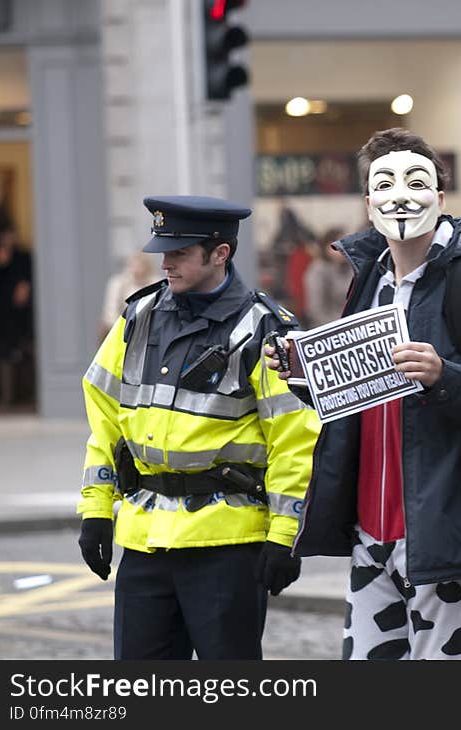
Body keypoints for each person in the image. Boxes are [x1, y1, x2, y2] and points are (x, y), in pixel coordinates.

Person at [268, 128, 461, 660]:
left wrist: (446, 378)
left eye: (416, 182)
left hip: (451, 534)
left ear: (440, 197)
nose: (400, 196)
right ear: (368, 202)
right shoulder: (368, 282)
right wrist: (308, 377)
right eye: (383, 184)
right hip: (373, 534)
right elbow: (360, 401)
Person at [77, 195, 321, 660]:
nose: (165, 262)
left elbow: (295, 441)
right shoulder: (137, 318)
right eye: (163, 251)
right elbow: (104, 419)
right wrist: (95, 511)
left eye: (179, 253)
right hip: (145, 543)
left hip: (226, 547)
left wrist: (285, 535)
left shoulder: (266, 330)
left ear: (220, 253)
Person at [0, 212, 33, 410]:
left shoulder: (22, 258)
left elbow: (24, 288)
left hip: (17, 316)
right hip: (4, 313)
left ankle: (13, 397)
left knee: (16, 352)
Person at [98, 250, 156, 341]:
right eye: (134, 264)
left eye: (141, 265)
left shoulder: (156, 284)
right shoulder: (119, 283)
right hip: (120, 332)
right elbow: (111, 312)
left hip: (148, 333)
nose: (137, 268)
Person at [303, 226, 352, 327]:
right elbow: (315, 308)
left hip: (350, 325)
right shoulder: (319, 269)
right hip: (328, 327)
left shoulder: (352, 268)